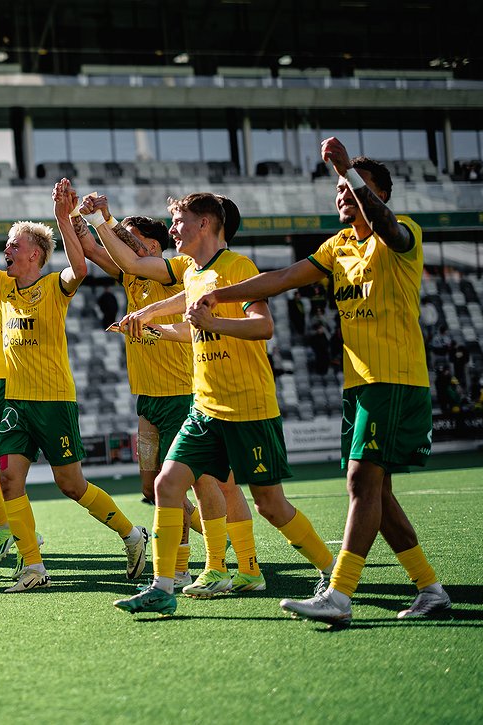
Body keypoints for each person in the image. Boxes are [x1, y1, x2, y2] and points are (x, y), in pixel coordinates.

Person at [194, 141, 451, 624]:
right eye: (339, 188)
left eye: (355, 188)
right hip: (360, 383)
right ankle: (430, 589)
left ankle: (339, 594)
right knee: (379, 492)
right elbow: (283, 278)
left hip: (394, 379)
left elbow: (389, 228)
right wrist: (218, 294)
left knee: (360, 481)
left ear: (379, 194)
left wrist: (345, 167)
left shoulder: (402, 234)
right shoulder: (338, 246)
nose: (344, 195)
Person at [101, 192, 335, 617]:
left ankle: (330, 570)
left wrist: (208, 320)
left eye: (179, 221)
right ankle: (163, 586)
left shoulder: (237, 268)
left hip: (248, 407)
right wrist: (150, 323)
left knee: (271, 504)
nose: (173, 229)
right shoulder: (192, 271)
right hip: (205, 407)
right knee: (166, 484)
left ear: (205, 224)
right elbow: (189, 326)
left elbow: (262, 326)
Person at [0, 174, 147, 593]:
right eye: (7, 244)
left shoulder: (54, 285)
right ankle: (33, 566)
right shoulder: (2, 288)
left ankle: (132, 535)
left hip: (53, 402)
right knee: (10, 481)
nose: (6, 250)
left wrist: (63, 216)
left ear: (36, 255)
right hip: (16, 405)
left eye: (14, 245)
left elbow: (79, 267)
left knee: (71, 484)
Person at [77, 193, 265, 595]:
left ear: (153, 245)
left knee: (201, 485)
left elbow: (124, 255)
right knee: (154, 488)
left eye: (134, 238)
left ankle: (196, 564)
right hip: (147, 398)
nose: (128, 244)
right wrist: (72, 218)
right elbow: (97, 250)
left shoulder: (173, 272)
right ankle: (215, 546)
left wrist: (103, 218)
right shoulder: (134, 274)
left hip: (182, 393)